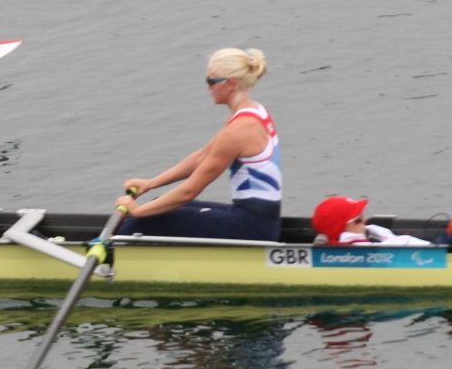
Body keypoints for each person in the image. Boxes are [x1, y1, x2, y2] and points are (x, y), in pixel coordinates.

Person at [114, 47, 281, 241]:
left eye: (211, 81)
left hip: (252, 229)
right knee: (159, 205)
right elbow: (201, 157)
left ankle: (114, 254)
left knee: (142, 222)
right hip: (259, 221)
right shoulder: (255, 111)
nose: (208, 87)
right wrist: (151, 184)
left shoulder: (238, 130)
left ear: (230, 84)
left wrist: (138, 211)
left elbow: (188, 191)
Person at [311, 195, 435, 246]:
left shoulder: (366, 239)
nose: (365, 219)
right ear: (343, 228)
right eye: (359, 219)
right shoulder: (358, 250)